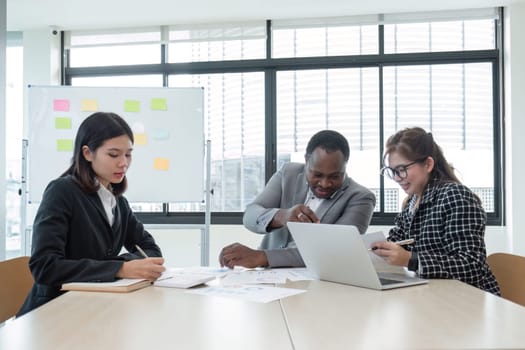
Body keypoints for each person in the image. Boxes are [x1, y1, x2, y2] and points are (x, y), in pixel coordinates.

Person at [18, 112, 165, 316]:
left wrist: (123, 266)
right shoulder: (62, 191)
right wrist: (120, 269)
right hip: (53, 311)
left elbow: (150, 251)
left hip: (95, 307)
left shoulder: (118, 202)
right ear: (87, 153)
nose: (123, 163)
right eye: (114, 154)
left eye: (128, 154)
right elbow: (45, 266)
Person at [219, 130, 376, 268]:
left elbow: (333, 250)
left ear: (345, 166)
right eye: (317, 174)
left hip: (317, 283)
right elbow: (250, 215)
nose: (325, 183)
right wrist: (282, 216)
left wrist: (263, 257)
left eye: (335, 176)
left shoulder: (361, 197)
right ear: (306, 161)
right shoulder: (288, 173)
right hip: (266, 279)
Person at [371, 127, 500, 294]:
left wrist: (412, 260)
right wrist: (378, 250)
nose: (396, 178)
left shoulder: (455, 196)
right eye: (392, 171)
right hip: (436, 295)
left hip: (470, 300)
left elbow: (471, 266)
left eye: (402, 170)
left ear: (428, 164)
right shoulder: (411, 202)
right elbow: (396, 241)